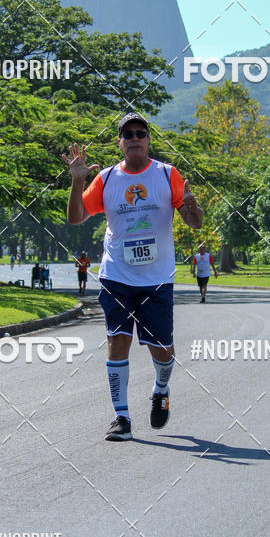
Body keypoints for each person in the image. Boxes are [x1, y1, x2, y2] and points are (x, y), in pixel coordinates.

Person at [62, 112, 203, 441]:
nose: (135, 137)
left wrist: (193, 208)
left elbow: (193, 221)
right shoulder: (107, 179)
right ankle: (121, 418)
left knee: (162, 350)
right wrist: (78, 180)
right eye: (129, 134)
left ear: (148, 140)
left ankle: (161, 388)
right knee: (117, 341)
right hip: (116, 275)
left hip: (156, 279)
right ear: (120, 142)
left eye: (141, 132)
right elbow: (75, 217)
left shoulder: (168, 175)